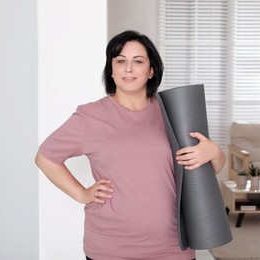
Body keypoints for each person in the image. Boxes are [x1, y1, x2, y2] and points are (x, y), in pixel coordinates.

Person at [35, 30, 226, 260]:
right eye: (120, 61)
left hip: (172, 246)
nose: (128, 68)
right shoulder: (90, 117)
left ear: (151, 70)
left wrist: (214, 152)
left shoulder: (174, 113)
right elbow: (45, 157)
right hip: (110, 248)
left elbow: (201, 171)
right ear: (111, 70)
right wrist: (82, 193)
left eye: (138, 61)